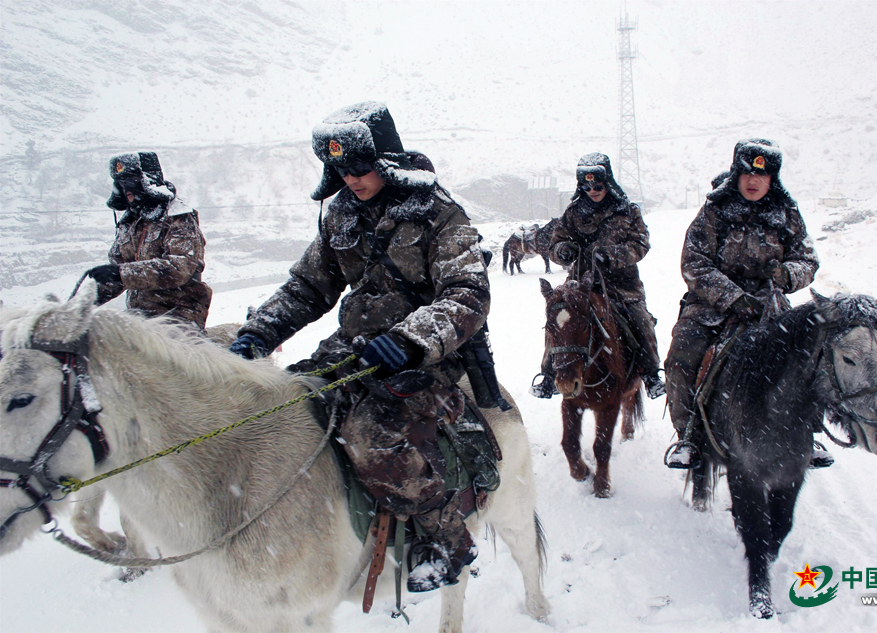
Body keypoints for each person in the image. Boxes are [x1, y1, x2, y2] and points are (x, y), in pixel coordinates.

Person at [228, 102, 489, 591]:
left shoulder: (439, 213)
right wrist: (257, 334)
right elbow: (307, 287)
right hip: (352, 347)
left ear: (386, 159)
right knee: (283, 406)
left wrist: (411, 339)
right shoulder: (342, 216)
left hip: (424, 356)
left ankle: (444, 538)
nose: (351, 179)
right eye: (341, 170)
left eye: (360, 167)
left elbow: (468, 294)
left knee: (373, 436)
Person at [663, 138, 829, 469]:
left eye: (762, 176)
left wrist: (785, 274)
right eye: (747, 174)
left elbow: (808, 260)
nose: (754, 182)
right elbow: (694, 263)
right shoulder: (714, 210)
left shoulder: (787, 213)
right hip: (712, 307)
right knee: (681, 358)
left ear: (772, 178)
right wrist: (733, 297)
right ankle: (689, 436)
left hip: (770, 303)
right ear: (737, 174)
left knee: (809, 354)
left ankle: (808, 433)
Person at [530, 152, 665, 400]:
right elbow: (555, 244)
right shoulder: (572, 213)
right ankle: (549, 376)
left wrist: (611, 256)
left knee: (641, 321)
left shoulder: (628, 211)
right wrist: (563, 250)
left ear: (608, 183)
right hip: (582, 284)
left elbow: (640, 244)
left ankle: (651, 375)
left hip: (623, 285)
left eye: (598, 185)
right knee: (559, 320)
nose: (592, 190)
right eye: (587, 185)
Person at [85, 152, 212, 330]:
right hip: (139, 314)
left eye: (130, 181)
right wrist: (84, 302)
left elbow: (180, 267)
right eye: (120, 183)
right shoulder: (130, 223)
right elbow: (118, 269)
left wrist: (121, 274)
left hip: (178, 315)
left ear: (146, 181)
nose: (125, 189)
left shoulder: (178, 217)